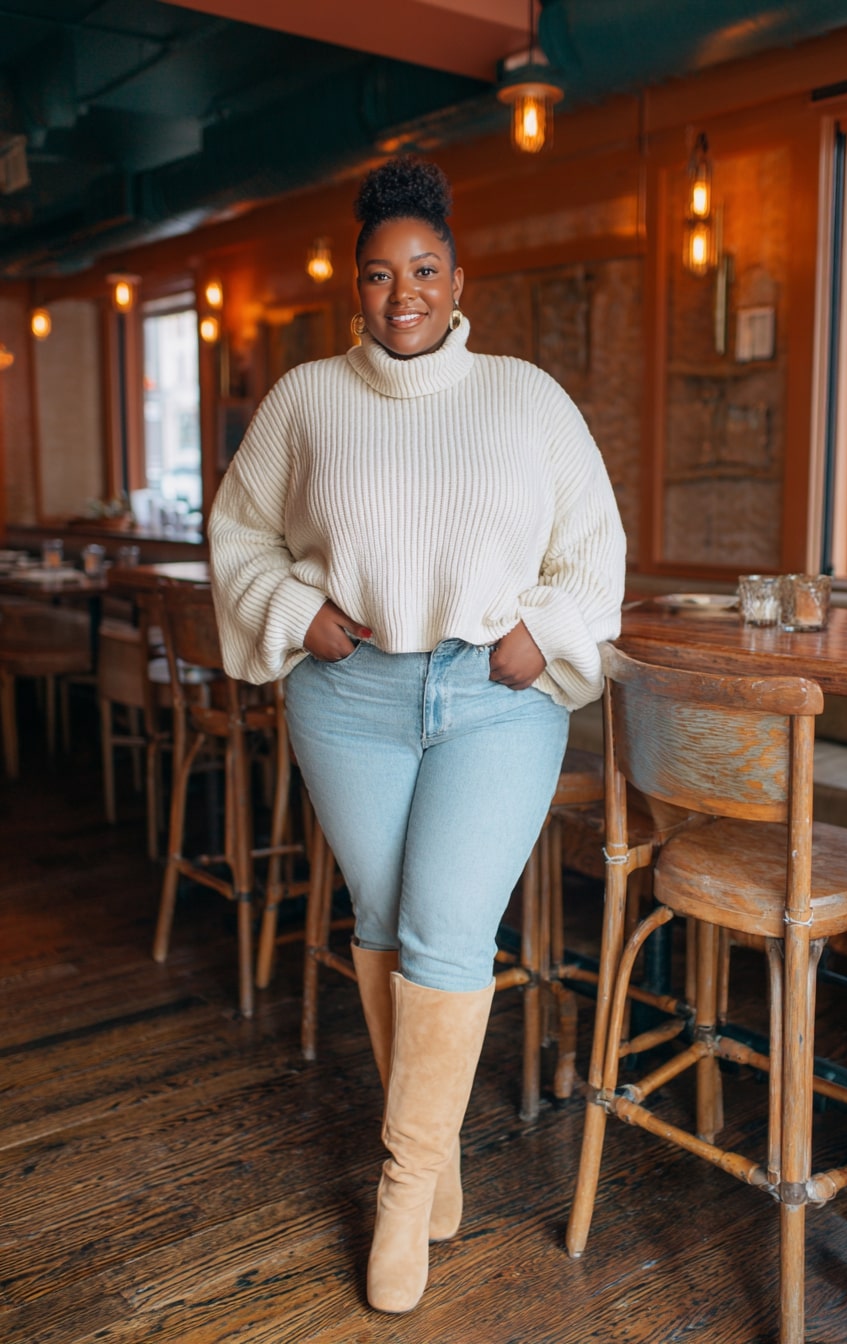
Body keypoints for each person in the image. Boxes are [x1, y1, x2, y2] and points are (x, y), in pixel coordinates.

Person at [208, 155, 626, 1314]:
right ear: (354, 286)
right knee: (386, 922)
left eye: (424, 270)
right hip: (351, 699)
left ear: (456, 276)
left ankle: (403, 1194)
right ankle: (433, 1163)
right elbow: (239, 536)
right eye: (381, 274)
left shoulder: (525, 396)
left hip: (493, 700)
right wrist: (298, 615)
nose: (404, 293)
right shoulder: (303, 400)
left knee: (444, 926)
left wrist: (544, 634)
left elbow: (592, 550)